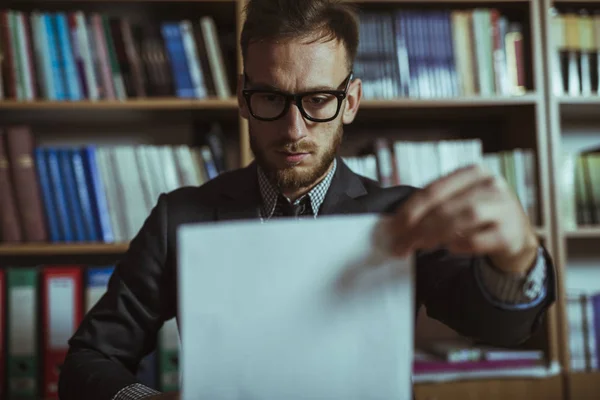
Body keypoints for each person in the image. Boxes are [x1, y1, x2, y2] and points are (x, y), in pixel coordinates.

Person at [58, 1, 556, 399]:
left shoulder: (403, 216)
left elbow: (499, 327)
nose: (294, 130)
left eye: (318, 99)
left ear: (351, 102)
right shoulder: (179, 218)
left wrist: (515, 258)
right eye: (271, 98)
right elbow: (87, 363)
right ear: (243, 98)